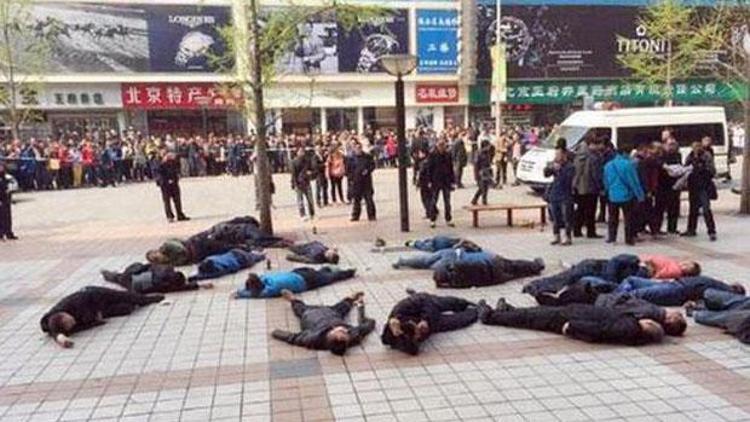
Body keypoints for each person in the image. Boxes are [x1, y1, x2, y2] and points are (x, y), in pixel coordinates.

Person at [477, 299, 664, 345]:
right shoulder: (631, 326)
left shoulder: (628, 329)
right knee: (538, 313)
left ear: (648, 327)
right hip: (576, 313)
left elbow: (600, 330)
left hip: (572, 319)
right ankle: (509, 310)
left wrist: (573, 326)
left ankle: (491, 316)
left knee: (532, 319)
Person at [40, 286, 164, 348]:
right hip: (99, 312)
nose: (72, 323)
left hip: (95, 296)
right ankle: (132, 304)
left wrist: (94, 315)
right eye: (69, 325)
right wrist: (60, 338)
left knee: (125, 296)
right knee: (126, 309)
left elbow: (87, 302)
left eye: (69, 320)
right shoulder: (51, 321)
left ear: (64, 314)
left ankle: (149, 298)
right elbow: (51, 329)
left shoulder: (71, 303)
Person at [271, 290, 375, 356]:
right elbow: (368, 325)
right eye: (346, 334)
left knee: (299, 309)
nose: (345, 330)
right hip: (334, 313)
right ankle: (350, 298)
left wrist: (275, 332)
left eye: (342, 332)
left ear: (331, 336)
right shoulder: (353, 336)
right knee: (342, 308)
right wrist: (362, 311)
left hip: (310, 314)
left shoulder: (313, 338)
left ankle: (292, 299)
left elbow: (293, 338)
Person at [381, 290, 478, 355]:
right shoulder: (402, 338)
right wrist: (392, 329)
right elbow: (413, 351)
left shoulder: (402, 308)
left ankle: (466, 303)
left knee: (450, 303)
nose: (419, 336)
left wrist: (425, 320)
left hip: (425, 302)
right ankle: (478, 311)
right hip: (432, 323)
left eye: (417, 333)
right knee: (459, 321)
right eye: (417, 337)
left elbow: (426, 301)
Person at [603, 145, 644, 245]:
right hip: (626, 196)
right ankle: (629, 239)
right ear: (625, 153)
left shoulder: (608, 165)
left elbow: (606, 181)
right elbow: (634, 182)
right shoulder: (628, 165)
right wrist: (640, 195)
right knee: (628, 218)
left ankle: (612, 238)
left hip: (613, 195)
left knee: (612, 218)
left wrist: (608, 190)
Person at [614, 275, 745, 307]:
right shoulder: (719, 287)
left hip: (677, 288)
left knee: (632, 285)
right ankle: (611, 297)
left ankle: (610, 300)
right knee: (633, 286)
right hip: (676, 287)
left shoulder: (719, 287)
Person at [232, 266, 356, 298]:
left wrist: (240, 293)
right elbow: (256, 280)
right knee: (321, 274)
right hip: (297, 272)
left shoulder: (271, 289)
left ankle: (350, 272)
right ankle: (327, 269)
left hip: (306, 282)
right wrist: (242, 290)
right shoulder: (266, 278)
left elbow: (255, 295)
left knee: (330, 279)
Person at [432, 254, 544, 289]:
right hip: (493, 265)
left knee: (517, 274)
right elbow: (476, 262)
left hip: (495, 279)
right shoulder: (457, 265)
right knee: (515, 264)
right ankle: (536, 265)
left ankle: (535, 270)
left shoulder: (456, 284)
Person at [682, 141, 717, 241]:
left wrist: (701, 169)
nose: (696, 148)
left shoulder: (706, 156)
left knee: (706, 209)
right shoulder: (690, 156)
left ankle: (711, 231)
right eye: (694, 147)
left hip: (703, 186)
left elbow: (712, 170)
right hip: (693, 186)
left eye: (698, 146)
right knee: (693, 209)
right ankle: (691, 229)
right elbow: (686, 168)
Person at [101, 262, 213, 293]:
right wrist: (200, 285)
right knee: (117, 278)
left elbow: (146, 266)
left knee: (117, 277)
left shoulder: (163, 271)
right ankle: (108, 274)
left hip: (130, 279)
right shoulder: (167, 286)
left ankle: (106, 273)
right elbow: (183, 288)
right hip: (135, 286)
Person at [544, 144, 575, 246]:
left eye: (558, 154)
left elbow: (568, 179)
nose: (556, 156)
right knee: (555, 217)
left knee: (566, 217)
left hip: (565, 195)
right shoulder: (554, 164)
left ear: (564, 154)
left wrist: (560, 169)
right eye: (555, 154)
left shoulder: (570, 166)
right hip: (554, 194)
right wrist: (552, 168)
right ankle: (556, 236)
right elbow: (546, 173)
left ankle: (567, 237)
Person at [572, 139, 603, 238]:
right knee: (591, 210)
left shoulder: (577, 156)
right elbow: (595, 174)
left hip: (579, 187)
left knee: (581, 209)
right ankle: (591, 231)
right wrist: (600, 186)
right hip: (591, 187)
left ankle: (577, 230)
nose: (599, 147)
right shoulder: (593, 158)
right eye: (597, 144)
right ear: (591, 145)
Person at [425, 139, 455, 228]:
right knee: (434, 201)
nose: (442, 148)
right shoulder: (433, 155)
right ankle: (432, 219)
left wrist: (452, 181)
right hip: (436, 181)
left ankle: (448, 219)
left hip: (446, 181)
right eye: (440, 146)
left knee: (447, 202)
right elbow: (429, 169)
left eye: (443, 146)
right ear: (437, 146)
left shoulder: (447, 155)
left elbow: (451, 169)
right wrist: (429, 181)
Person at [655, 138, 683, 234]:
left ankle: (672, 228)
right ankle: (656, 228)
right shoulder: (661, 155)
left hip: (675, 184)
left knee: (674, 207)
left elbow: (680, 166)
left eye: (674, 144)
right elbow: (658, 165)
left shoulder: (678, 155)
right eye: (670, 144)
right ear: (664, 145)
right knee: (660, 208)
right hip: (662, 185)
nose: (672, 146)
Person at [156, 149, 190, 223]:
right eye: (165, 155)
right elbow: (158, 175)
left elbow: (176, 170)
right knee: (167, 201)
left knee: (177, 200)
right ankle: (169, 216)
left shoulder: (172, 162)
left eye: (168, 155)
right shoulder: (159, 164)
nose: (167, 157)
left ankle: (180, 214)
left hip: (174, 183)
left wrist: (176, 178)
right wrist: (166, 181)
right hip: (165, 185)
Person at [189, 248, 266, 281]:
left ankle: (261, 255)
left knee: (256, 258)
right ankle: (257, 252)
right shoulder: (209, 258)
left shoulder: (220, 269)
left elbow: (214, 275)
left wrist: (196, 277)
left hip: (242, 260)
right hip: (233, 252)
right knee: (253, 256)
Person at [349, 143, 376, 221]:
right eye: (356, 148)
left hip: (366, 181)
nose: (358, 150)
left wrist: (367, 170)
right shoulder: (351, 158)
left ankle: (371, 215)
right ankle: (355, 215)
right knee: (356, 200)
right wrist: (351, 178)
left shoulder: (367, 157)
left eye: (359, 148)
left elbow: (373, 165)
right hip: (356, 182)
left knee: (369, 199)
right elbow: (348, 169)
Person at [291, 147, 315, 221]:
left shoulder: (307, 160)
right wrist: (294, 184)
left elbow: (312, 169)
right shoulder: (294, 162)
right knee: (300, 200)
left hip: (306, 182)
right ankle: (302, 214)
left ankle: (312, 214)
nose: (302, 153)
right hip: (299, 183)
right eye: (300, 151)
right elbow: (293, 174)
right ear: (297, 152)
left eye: (303, 151)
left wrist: (311, 173)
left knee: (310, 199)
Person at [471, 141, 494, 206]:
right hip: (480, 172)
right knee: (482, 187)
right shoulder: (478, 153)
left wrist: (490, 172)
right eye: (488, 146)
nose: (489, 147)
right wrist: (476, 175)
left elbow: (488, 163)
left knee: (485, 187)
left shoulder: (487, 153)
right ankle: (481, 201)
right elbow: (476, 165)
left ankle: (476, 200)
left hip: (486, 171)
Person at [0, 162, 18, 240]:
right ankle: (1, 233)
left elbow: (15, 184)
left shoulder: (8, 177)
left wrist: (10, 189)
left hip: (6, 199)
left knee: (7, 217)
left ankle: (8, 232)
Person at [404, 236, 480, 252]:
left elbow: (461, 239)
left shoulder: (466, 243)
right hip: (441, 245)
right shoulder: (463, 249)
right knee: (425, 247)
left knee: (428, 244)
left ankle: (417, 242)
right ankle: (414, 243)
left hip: (443, 239)